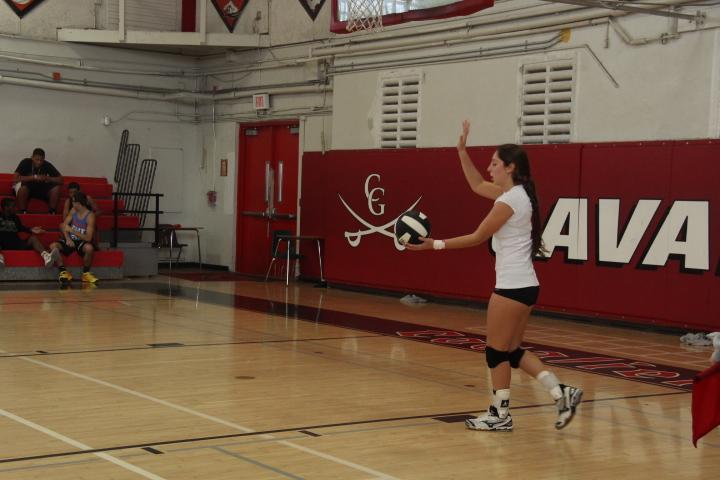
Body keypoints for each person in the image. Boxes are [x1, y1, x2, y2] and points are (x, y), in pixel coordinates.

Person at [405, 120, 582, 431]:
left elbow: (477, 237)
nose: (490, 168)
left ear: (510, 168)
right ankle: (561, 392)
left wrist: (433, 245)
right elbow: (475, 185)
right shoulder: (517, 194)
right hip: (526, 285)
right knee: (512, 352)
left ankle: (500, 415)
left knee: (495, 352)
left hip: (511, 287)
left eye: (495, 163)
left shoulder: (510, 200)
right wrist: (461, 152)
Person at [49, 192, 98, 284]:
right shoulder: (73, 210)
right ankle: (63, 272)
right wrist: (68, 238)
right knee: (53, 246)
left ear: (79, 203)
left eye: (74, 202)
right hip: (70, 240)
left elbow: (88, 238)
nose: (72, 203)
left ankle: (86, 274)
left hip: (81, 241)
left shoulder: (90, 216)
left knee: (89, 248)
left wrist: (72, 231)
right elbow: (63, 225)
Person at [0, 198, 57, 268]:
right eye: (13, 206)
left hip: (16, 243)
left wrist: (31, 230)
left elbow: (21, 228)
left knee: (33, 238)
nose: (16, 208)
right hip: (2, 244)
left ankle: (46, 256)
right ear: (6, 207)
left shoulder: (16, 218)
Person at [13, 148, 63, 214]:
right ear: (32, 157)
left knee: (56, 188)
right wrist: (34, 177)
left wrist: (47, 178)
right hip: (27, 187)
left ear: (44, 159)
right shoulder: (25, 162)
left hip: (41, 188)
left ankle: (52, 211)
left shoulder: (47, 165)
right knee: (23, 189)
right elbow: (15, 178)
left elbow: (60, 179)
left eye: (41, 160)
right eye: (37, 159)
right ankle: (23, 211)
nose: (39, 162)